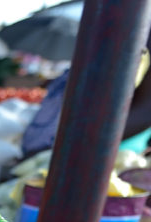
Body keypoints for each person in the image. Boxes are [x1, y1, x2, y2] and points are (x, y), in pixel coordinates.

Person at [23, 33, 151, 157]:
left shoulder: (142, 29)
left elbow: (146, 110)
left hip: (103, 156)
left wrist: (75, 147)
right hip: (60, 149)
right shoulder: (104, 22)